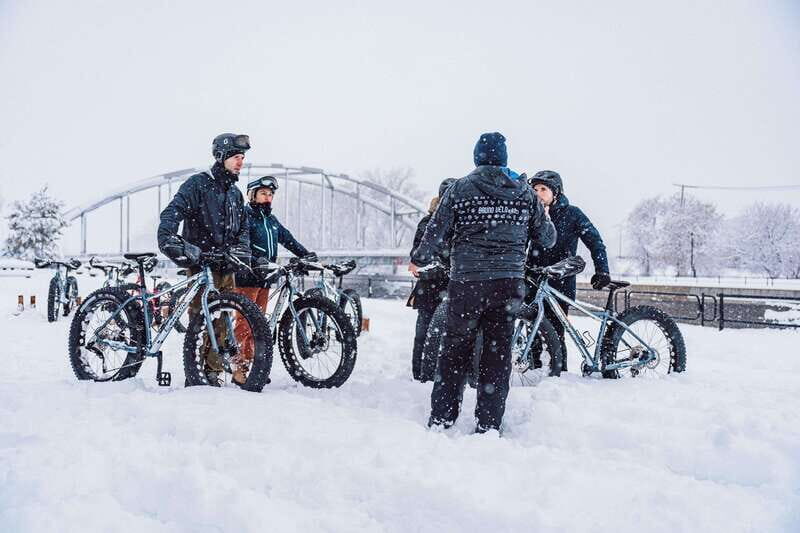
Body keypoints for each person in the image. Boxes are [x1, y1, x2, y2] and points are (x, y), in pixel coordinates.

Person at [409, 132, 556, 433]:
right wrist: (543, 217)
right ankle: (488, 424)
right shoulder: (525, 193)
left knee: (454, 350)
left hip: (467, 283)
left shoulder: (460, 189)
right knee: (497, 354)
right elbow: (548, 238)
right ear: (504, 158)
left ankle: (442, 418)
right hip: (508, 284)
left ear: (477, 156)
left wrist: (419, 258)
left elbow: (434, 234)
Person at [157, 132, 252, 385]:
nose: (240, 161)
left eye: (242, 157)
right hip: (200, 263)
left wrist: (241, 249)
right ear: (220, 157)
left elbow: (243, 228)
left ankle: (212, 372)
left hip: (226, 264)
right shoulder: (198, 184)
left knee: (222, 320)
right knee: (201, 318)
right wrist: (169, 236)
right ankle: (195, 372)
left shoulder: (235, 194)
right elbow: (173, 211)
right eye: (235, 157)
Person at [232, 175, 312, 385]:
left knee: (259, 323)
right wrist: (254, 260)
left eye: (270, 194)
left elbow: (288, 239)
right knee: (244, 324)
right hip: (247, 276)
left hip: (266, 278)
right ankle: (239, 366)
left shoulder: (272, 221)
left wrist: (305, 254)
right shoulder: (246, 217)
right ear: (252, 195)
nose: (268, 198)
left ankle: (254, 365)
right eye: (263, 194)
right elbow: (243, 245)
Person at [527, 170, 609, 371]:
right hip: (534, 277)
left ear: (556, 192)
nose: (538, 193)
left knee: (555, 328)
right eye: (535, 189)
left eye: (543, 189)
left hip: (560, 279)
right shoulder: (531, 213)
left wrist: (602, 270)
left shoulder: (572, 214)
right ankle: (533, 367)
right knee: (531, 326)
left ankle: (559, 372)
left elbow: (595, 241)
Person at [407, 177, 456, 382]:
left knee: (451, 335)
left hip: (452, 285)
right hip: (431, 286)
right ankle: (421, 375)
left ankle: (447, 374)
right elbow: (418, 253)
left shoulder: (462, 223)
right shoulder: (428, 223)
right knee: (425, 332)